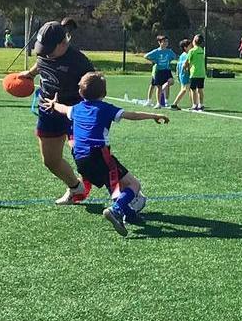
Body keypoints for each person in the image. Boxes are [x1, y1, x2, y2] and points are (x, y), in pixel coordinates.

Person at [41, 71, 168, 237]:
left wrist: (53, 104)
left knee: (114, 186)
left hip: (80, 160)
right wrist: (154, 115)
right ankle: (115, 210)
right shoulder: (106, 108)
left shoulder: (76, 108)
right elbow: (132, 115)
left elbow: (62, 108)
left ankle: (128, 214)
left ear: (80, 92)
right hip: (99, 154)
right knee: (134, 185)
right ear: (105, 93)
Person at [16, 21, 97, 204]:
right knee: (50, 161)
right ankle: (76, 188)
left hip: (73, 114)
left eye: (48, 51)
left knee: (85, 156)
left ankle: (128, 193)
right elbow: (40, 64)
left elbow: (94, 89)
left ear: (63, 44)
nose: (45, 54)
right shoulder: (45, 53)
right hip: (48, 111)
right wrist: (29, 74)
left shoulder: (79, 62)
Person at [144, 35, 176, 108]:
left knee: (171, 82)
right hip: (158, 71)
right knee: (158, 87)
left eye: (167, 41)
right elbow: (146, 56)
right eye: (164, 41)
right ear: (159, 42)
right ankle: (158, 103)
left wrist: (169, 61)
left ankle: (166, 101)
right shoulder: (156, 51)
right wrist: (154, 61)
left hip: (167, 70)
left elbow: (174, 57)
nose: (166, 43)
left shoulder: (169, 51)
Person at [169, 38, 192, 111]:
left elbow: (178, 66)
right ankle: (174, 104)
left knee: (190, 89)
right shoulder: (187, 55)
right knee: (185, 89)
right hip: (186, 74)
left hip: (182, 75)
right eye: (190, 46)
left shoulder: (182, 55)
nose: (191, 47)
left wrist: (177, 74)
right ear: (185, 48)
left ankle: (194, 104)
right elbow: (185, 65)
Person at [187, 34, 206, 112]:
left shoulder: (191, 51)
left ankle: (194, 104)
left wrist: (185, 68)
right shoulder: (202, 50)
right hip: (202, 73)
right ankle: (200, 104)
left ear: (194, 41)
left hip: (194, 73)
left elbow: (188, 62)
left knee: (193, 89)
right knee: (200, 89)